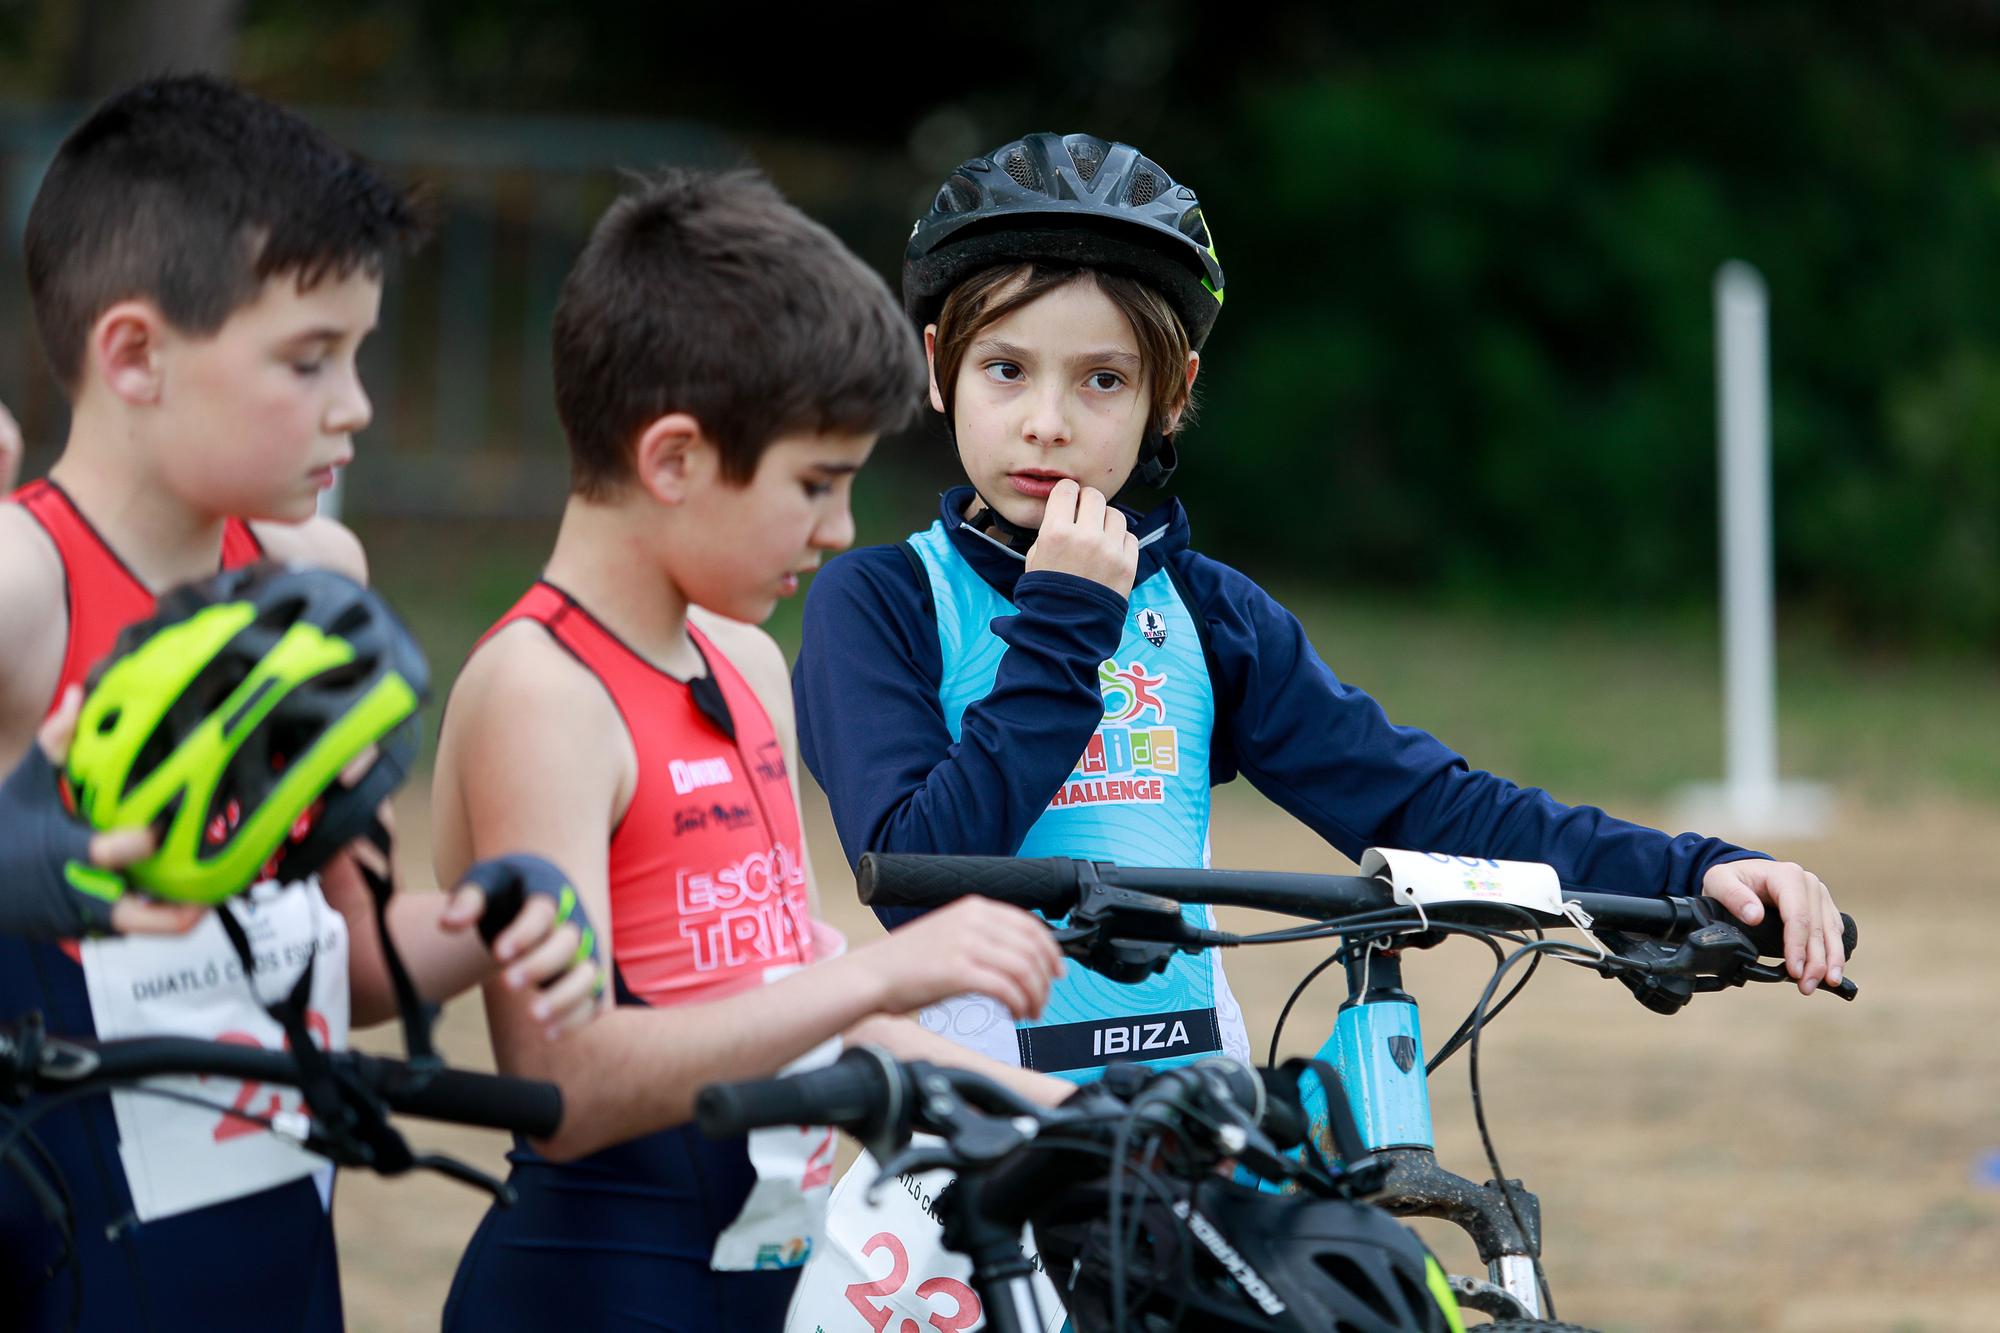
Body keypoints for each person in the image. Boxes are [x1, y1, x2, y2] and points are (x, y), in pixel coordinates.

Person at [789, 130, 1847, 1324]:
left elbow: (1427, 803)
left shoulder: (1202, 611)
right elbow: (917, 870)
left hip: (1192, 1140)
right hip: (968, 1164)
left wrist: (1701, 869)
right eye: (1004, 371)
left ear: (1169, 394)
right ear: (938, 368)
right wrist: (1066, 620)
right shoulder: (880, 602)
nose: (1046, 421)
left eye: (1100, 379)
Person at [0, 76, 600, 1333]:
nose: (356, 406)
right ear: (133, 355)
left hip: (278, 1260)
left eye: (359, 354)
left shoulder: (314, 593)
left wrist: (498, 910)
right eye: (307, 358)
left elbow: (354, 960)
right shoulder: (23, 584)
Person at [431, 168, 1066, 1332]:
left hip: (768, 1279)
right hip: (597, 1288)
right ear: (672, 459)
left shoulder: (743, 665)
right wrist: (878, 970)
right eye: (815, 485)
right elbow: (564, 1087)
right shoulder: (542, 691)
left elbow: (795, 1001)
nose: (837, 532)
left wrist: (1074, 1114)